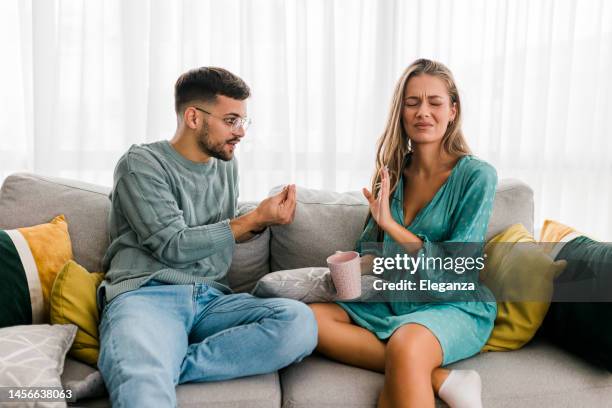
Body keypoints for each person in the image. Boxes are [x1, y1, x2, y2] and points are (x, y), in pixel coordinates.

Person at [97, 67, 317, 407]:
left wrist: (262, 223)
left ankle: (159, 365)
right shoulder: (141, 163)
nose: (240, 132)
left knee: (299, 323)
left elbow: (217, 232)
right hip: (147, 295)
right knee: (143, 389)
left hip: (211, 300)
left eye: (244, 121)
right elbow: (173, 245)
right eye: (231, 120)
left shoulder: (226, 164)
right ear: (193, 117)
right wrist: (251, 219)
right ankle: (143, 368)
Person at [310, 59, 498, 408]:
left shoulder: (478, 176)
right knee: (311, 319)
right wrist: (348, 267)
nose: (422, 112)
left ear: (453, 110)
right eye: (412, 103)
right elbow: (375, 254)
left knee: (406, 344)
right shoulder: (391, 173)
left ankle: (415, 365)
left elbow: (457, 270)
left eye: (434, 102)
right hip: (396, 297)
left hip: (452, 304)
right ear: (401, 111)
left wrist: (393, 227)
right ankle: (441, 378)